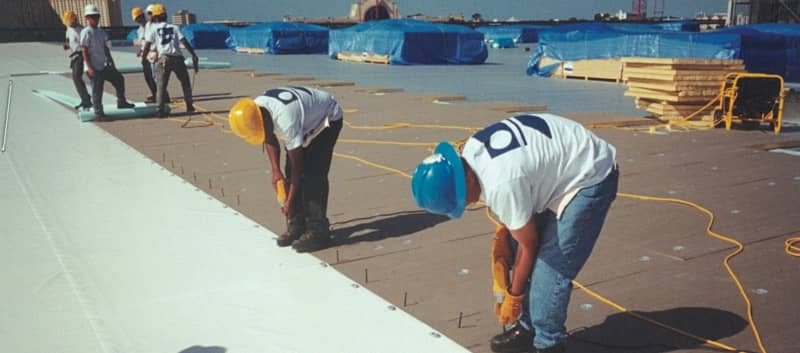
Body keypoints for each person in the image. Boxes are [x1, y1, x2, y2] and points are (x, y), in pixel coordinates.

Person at [411, 113, 618, 353]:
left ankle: (549, 343)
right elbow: (518, 180)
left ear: (466, 179)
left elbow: (529, 245)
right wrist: (506, 230)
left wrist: (514, 295)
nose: (466, 205)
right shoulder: (472, 150)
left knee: (549, 270)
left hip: (588, 175)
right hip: (558, 164)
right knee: (514, 244)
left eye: (461, 200)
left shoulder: (501, 184)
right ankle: (528, 327)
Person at [228, 86, 344, 252]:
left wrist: (289, 201)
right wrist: (276, 172)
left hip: (327, 118)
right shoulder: (256, 110)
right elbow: (268, 138)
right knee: (287, 172)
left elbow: (298, 169)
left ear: (264, 120)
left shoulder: (286, 120)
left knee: (312, 175)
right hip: (304, 120)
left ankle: (318, 231)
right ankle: (298, 224)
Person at [141, 4, 197, 117]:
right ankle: (189, 106)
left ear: (156, 17)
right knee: (185, 83)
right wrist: (193, 54)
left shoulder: (153, 29)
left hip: (164, 59)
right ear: (165, 16)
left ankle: (160, 110)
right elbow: (184, 41)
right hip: (178, 59)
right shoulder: (175, 27)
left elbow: (147, 46)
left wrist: (143, 58)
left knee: (161, 86)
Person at [79, 4, 134, 118]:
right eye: (93, 17)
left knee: (119, 78)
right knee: (97, 89)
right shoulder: (86, 32)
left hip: (103, 65)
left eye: (97, 16)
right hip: (93, 67)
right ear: (87, 18)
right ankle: (99, 113)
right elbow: (84, 50)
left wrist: (111, 62)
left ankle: (121, 102)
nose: (96, 19)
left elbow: (105, 48)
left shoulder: (101, 32)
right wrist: (89, 67)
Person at [61, 10, 91, 110]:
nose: (71, 23)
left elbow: (85, 44)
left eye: (72, 21)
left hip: (81, 54)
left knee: (77, 77)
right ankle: (85, 98)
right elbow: (69, 41)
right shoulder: (68, 29)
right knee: (76, 78)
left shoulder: (82, 30)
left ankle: (86, 100)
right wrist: (67, 45)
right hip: (74, 55)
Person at [131, 7, 157, 102]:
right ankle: (154, 93)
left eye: (139, 17)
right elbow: (143, 42)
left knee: (155, 76)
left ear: (142, 16)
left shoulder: (151, 26)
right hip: (145, 54)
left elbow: (152, 41)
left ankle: (161, 95)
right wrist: (140, 51)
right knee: (148, 76)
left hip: (153, 53)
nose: (137, 20)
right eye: (136, 19)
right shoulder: (139, 30)